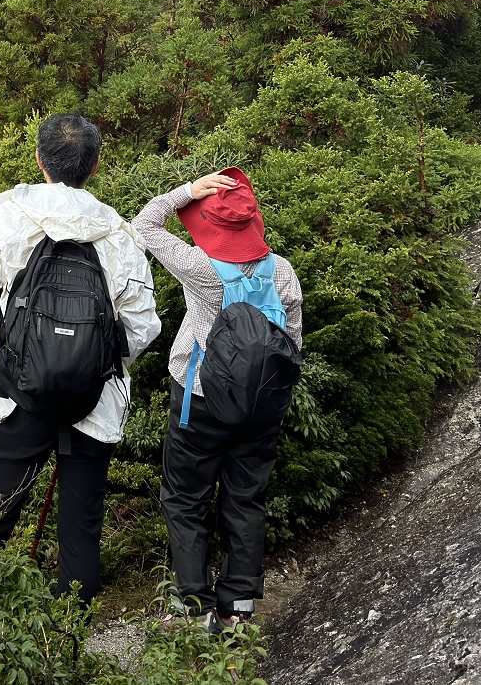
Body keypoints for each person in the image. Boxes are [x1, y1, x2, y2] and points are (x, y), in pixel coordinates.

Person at [0, 114, 161, 602]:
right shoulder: (118, 234)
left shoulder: (7, 218)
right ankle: (65, 649)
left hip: (18, 397)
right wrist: (90, 363)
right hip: (94, 404)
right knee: (81, 534)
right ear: (96, 165)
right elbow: (144, 325)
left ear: (40, 160)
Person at [132, 167, 303, 628]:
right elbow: (293, 346)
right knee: (246, 497)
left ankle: (194, 607)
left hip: (199, 398)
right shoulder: (283, 271)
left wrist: (188, 190)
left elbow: (144, 224)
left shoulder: (201, 268)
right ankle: (238, 608)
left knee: (186, 496)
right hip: (263, 407)